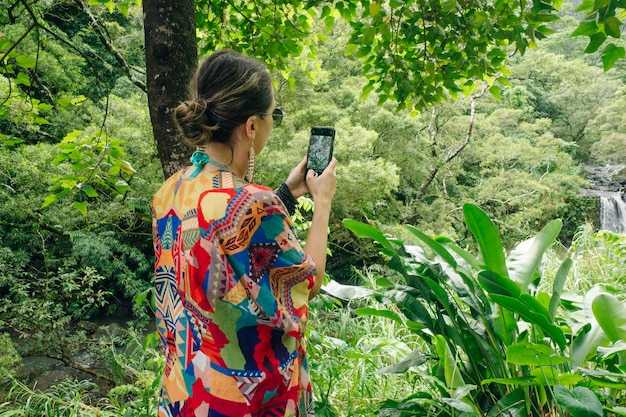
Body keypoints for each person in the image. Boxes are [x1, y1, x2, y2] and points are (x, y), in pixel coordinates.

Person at [151, 49, 337, 417]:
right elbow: (307, 283)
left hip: (186, 389)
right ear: (251, 127)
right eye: (273, 117)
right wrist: (323, 202)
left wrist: (285, 194)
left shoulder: (171, 190)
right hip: (243, 400)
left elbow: (226, 247)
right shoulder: (253, 203)